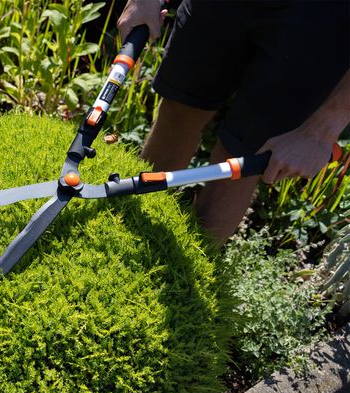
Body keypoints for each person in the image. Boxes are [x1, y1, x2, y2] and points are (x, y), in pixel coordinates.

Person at [117, 0, 350, 245]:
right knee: (178, 110)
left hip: (322, 19)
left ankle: (187, 261)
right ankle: (129, 226)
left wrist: (322, 132)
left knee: (246, 154)